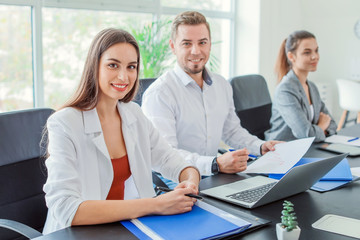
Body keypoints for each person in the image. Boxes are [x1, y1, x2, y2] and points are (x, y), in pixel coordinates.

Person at [42, 28, 200, 234]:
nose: (123, 76)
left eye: (131, 66)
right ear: (94, 66)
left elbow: (172, 160)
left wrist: (190, 182)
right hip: (77, 234)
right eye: (113, 65)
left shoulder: (133, 114)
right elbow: (66, 208)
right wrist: (156, 205)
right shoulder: (64, 123)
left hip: (123, 229)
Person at [141, 11, 280, 180]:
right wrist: (214, 164)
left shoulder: (221, 85)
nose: (196, 51)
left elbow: (232, 131)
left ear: (210, 44)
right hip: (174, 181)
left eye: (202, 42)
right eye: (186, 43)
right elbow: (165, 155)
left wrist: (260, 146)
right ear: (173, 46)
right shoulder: (160, 93)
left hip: (213, 176)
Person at [265, 30, 337, 142]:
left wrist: (317, 130)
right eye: (307, 52)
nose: (315, 57)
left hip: (310, 147)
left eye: (316, 51)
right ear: (291, 56)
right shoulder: (285, 90)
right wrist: (322, 127)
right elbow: (306, 134)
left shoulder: (312, 87)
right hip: (284, 150)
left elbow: (332, 124)